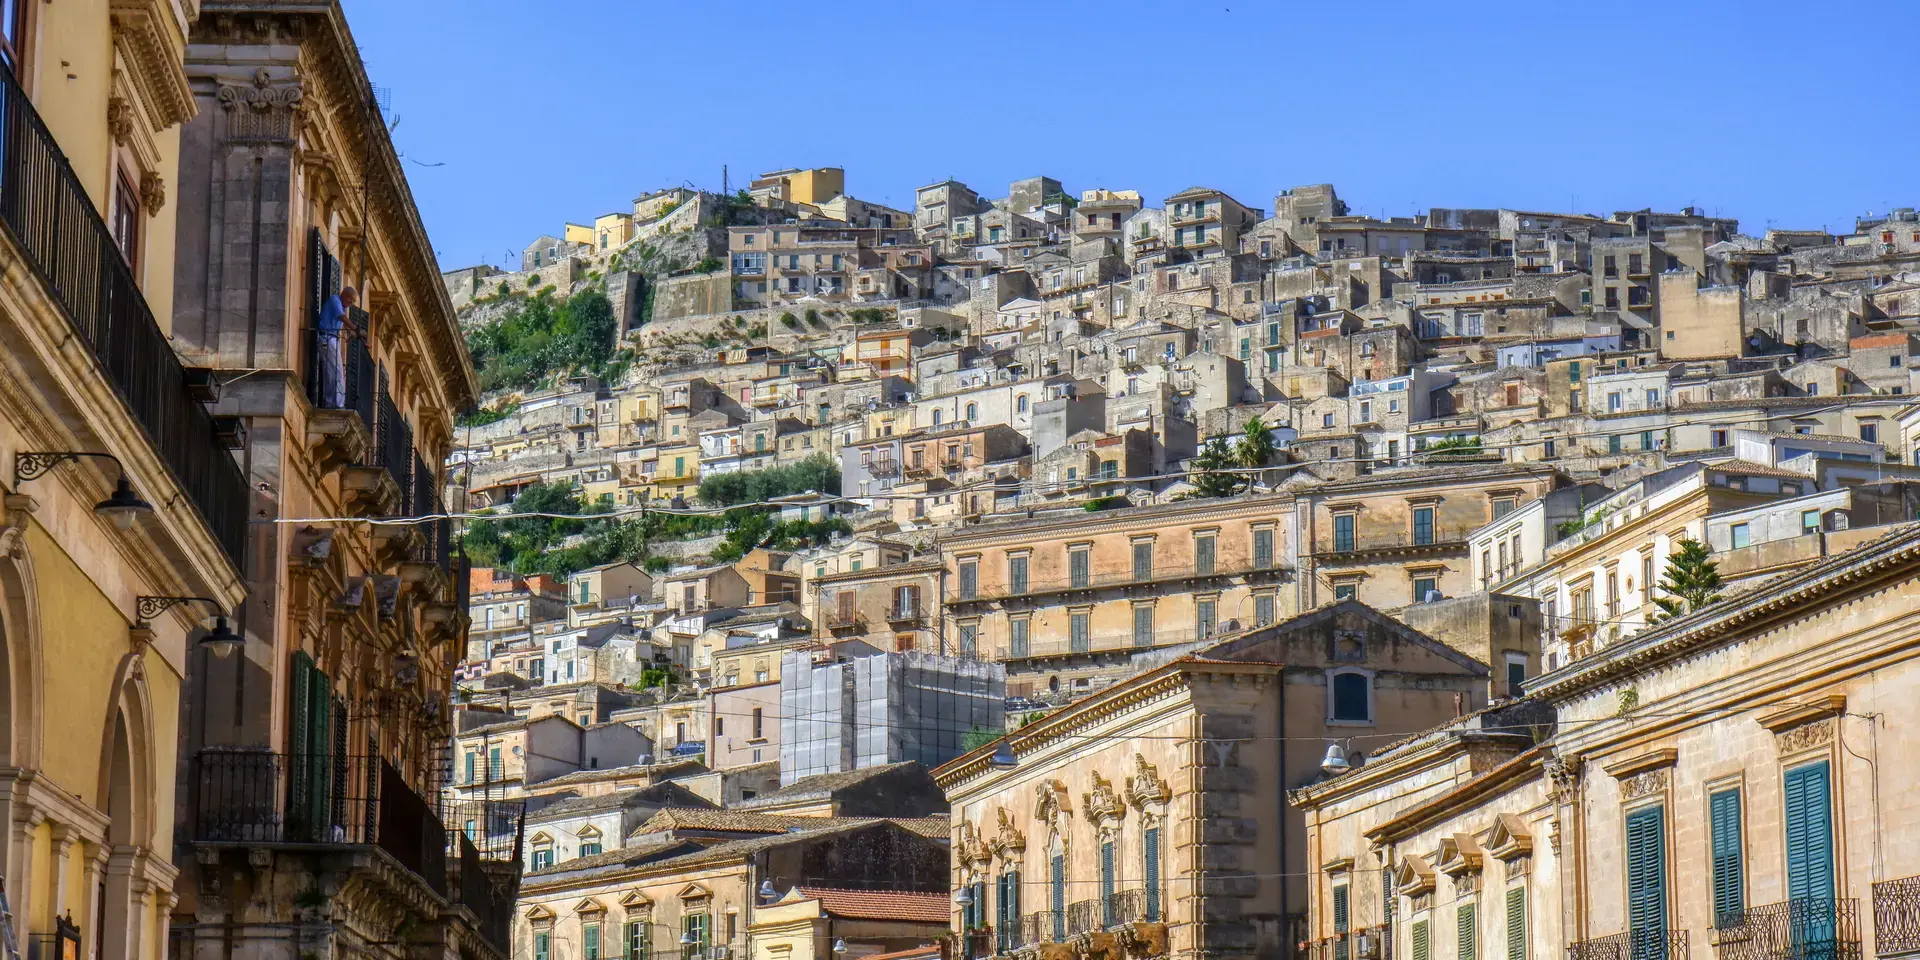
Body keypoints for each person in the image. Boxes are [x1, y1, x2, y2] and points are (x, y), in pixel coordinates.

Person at [316, 286, 356, 408]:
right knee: (337, 371)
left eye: (353, 302)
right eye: (350, 300)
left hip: (331, 339)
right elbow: (342, 318)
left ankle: (330, 402)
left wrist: (353, 332)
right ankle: (338, 404)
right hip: (328, 338)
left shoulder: (341, 305)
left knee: (331, 372)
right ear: (345, 295)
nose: (350, 304)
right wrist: (356, 328)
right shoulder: (335, 300)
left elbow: (342, 322)